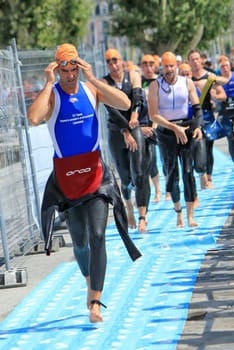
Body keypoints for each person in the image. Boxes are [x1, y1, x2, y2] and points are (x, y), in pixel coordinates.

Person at [27, 43, 141, 323]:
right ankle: (90, 281)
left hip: (95, 176)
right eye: (64, 69)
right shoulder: (52, 95)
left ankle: (96, 301)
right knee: (79, 242)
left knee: (99, 236)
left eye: (73, 68)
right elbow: (33, 118)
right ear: (57, 68)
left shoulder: (91, 89)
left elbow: (125, 104)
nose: (70, 75)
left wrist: (93, 79)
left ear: (79, 67)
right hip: (67, 179)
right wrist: (48, 83)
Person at [148, 51, 203, 228]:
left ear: (177, 66)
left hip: (185, 130)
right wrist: (174, 128)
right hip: (166, 133)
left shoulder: (187, 82)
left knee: (188, 172)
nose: (169, 69)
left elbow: (197, 108)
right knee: (172, 173)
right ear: (162, 67)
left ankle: (190, 216)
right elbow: (153, 115)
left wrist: (198, 127)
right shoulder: (155, 86)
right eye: (166, 66)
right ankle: (178, 213)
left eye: (172, 66)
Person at [102, 48, 151, 233]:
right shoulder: (104, 82)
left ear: (122, 61)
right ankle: (128, 205)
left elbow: (137, 97)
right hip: (116, 131)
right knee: (124, 176)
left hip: (134, 124)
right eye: (109, 62)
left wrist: (134, 117)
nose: (113, 65)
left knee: (139, 173)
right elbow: (111, 110)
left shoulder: (133, 76)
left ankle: (142, 217)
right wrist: (125, 131)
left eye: (115, 60)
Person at [187, 49, 228, 189]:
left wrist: (214, 96)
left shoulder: (209, 76)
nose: (195, 61)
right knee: (197, 146)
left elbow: (223, 92)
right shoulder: (187, 78)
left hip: (207, 115)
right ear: (189, 62)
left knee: (208, 147)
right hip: (192, 117)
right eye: (192, 59)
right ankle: (201, 173)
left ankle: (208, 177)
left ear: (201, 60)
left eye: (197, 58)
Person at [140, 54, 161, 202]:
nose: (148, 67)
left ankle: (160, 190)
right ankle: (154, 191)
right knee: (145, 160)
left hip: (157, 122)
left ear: (155, 65)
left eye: (150, 64)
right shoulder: (138, 82)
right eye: (145, 64)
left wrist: (155, 124)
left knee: (156, 158)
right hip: (143, 124)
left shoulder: (160, 81)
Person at [218, 55, 234, 161]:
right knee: (231, 139)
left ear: (230, 65)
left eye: (226, 65)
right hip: (225, 114)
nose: (225, 68)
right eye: (222, 66)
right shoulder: (217, 81)